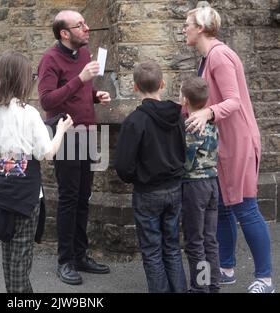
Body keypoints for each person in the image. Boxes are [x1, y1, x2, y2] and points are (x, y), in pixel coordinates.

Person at [183, 4, 274, 293]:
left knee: (245, 208)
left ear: (200, 28)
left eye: (187, 25)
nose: (184, 29)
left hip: (238, 143)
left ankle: (265, 279)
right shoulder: (209, 57)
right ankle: (226, 268)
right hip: (224, 144)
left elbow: (233, 100)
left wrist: (207, 114)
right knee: (221, 208)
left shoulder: (219, 56)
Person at [0, 51, 73, 293]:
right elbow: (47, 153)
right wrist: (61, 129)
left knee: (8, 252)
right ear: (23, 79)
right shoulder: (30, 114)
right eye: (31, 75)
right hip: (26, 194)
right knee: (21, 257)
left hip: (1, 191)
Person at [37, 9, 111, 285]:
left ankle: (81, 255)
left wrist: (94, 95)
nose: (87, 28)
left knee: (83, 197)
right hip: (65, 135)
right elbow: (47, 101)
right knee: (69, 199)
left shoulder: (82, 53)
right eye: (80, 25)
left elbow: (77, 93)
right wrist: (80, 79)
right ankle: (65, 261)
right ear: (64, 33)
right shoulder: (49, 60)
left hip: (87, 132)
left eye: (85, 23)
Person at [115, 60, 187, 293]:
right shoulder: (177, 116)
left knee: (152, 251)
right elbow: (182, 150)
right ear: (162, 84)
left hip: (147, 192)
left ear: (135, 87)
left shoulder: (135, 121)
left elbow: (123, 165)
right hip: (174, 188)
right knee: (172, 247)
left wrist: (138, 177)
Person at [180, 77, 220, 293]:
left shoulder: (191, 126)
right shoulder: (211, 122)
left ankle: (200, 287)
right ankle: (212, 285)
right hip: (213, 183)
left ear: (185, 99)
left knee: (195, 242)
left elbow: (186, 161)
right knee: (209, 240)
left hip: (195, 186)